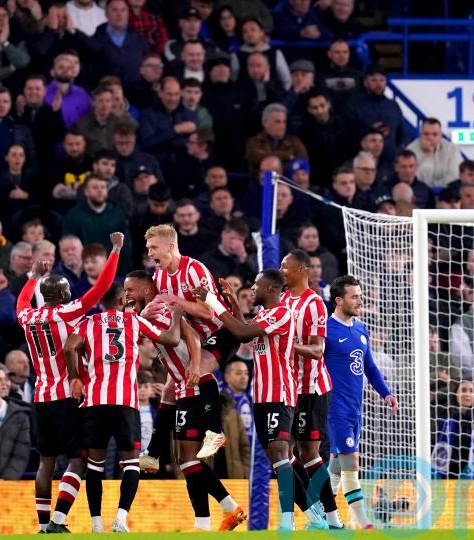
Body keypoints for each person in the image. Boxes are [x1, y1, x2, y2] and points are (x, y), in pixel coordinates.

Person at [192, 269, 328, 531]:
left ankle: (287, 520)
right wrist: (232, 302)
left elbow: (242, 333)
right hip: (262, 397)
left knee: (280, 454)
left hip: (280, 394)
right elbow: (245, 330)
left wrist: (212, 300)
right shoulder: (265, 315)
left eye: (256, 284)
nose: (252, 288)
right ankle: (315, 515)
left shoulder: (281, 312)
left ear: (271, 288)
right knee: (281, 459)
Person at [122, 271, 246, 530]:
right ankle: (225, 510)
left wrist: (196, 365)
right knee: (187, 460)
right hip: (182, 386)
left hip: (194, 388)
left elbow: (188, 334)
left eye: (130, 290)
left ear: (145, 291)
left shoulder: (156, 310)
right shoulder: (149, 312)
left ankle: (213, 434)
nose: (126, 295)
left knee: (187, 459)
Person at [16, 233, 122, 533]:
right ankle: (59, 520)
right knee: (78, 460)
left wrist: (32, 278)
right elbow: (101, 287)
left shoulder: (27, 317)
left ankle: (42, 524)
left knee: (45, 463)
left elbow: (24, 300)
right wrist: (114, 250)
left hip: (41, 396)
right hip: (68, 395)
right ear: (63, 296)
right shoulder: (70, 311)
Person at [62, 281, 181, 533]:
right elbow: (171, 338)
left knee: (94, 464)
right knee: (131, 464)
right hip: (125, 403)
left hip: (94, 402)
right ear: (121, 301)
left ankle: (96, 524)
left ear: (99, 302)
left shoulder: (87, 324)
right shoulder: (133, 322)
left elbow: (69, 347)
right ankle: (120, 519)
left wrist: (74, 377)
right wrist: (178, 316)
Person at [144, 224, 238, 456]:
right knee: (170, 389)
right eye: (148, 249)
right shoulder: (159, 275)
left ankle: (215, 432)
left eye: (154, 248)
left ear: (171, 246)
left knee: (200, 367)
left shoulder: (194, 269)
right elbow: (169, 312)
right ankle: (153, 455)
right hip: (197, 337)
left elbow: (208, 313)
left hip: (223, 330)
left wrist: (175, 300)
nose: (150, 254)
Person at [322, 275, 398, 529]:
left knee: (335, 467)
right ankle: (363, 521)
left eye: (360, 295)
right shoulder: (326, 330)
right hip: (335, 409)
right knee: (350, 462)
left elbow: (370, 367)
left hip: (356, 410)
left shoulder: (361, 329)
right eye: (354, 296)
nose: (360, 300)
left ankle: (321, 517)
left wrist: (386, 393)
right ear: (338, 300)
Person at [279, 250, 342, 528]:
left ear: (301, 270)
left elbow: (318, 350)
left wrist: (289, 346)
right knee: (284, 452)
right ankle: (315, 512)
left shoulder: (314, 303)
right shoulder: (281, 300)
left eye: (285, 266)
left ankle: (332, 518)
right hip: (288, 387)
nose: (281, 270)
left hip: (312, 387)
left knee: (309, 453)